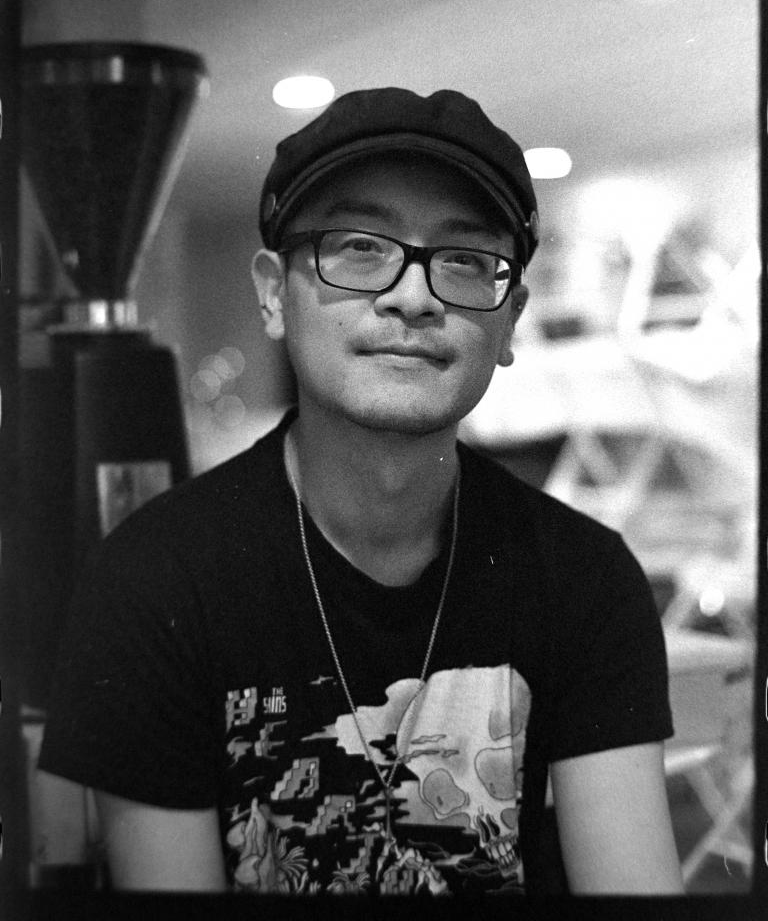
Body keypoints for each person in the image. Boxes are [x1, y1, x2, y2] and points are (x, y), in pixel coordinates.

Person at [39, 87, 683, 897]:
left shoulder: (584, 580)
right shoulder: (152, 583)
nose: (412, 296)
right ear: (275, 292)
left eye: (462, 260)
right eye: (358, 247)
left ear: (511, 318)